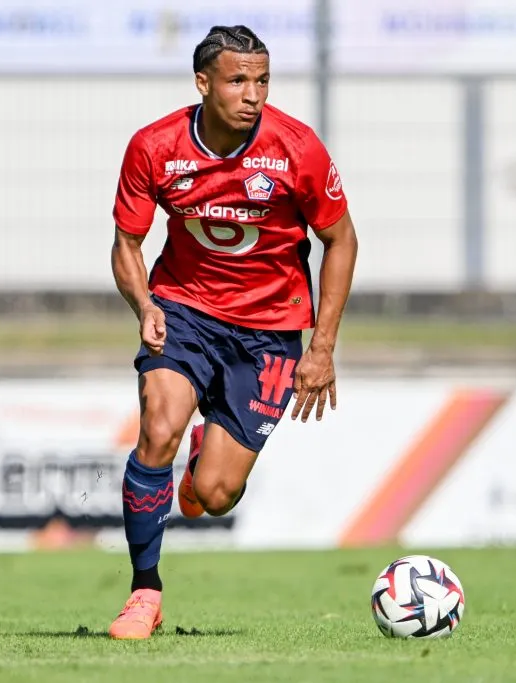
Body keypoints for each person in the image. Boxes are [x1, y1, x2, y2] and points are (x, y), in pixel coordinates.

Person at [108, 24, 359, 640]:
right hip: (185, 310)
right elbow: (127, 243)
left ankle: (200, 470)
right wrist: (144, 304)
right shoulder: (154, 146)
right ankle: (145, 591)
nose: (254, 94)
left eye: (263, 80)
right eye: (239, 80)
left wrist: (322, 345)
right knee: (158, 427)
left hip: (270, 328)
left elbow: (341, 239)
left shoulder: (296, 148)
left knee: (217, 495)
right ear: (203, 83)